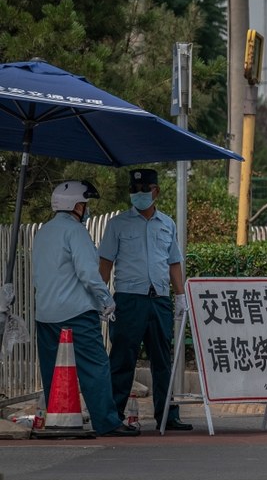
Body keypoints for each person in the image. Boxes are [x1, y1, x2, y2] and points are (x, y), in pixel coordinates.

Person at [33, 181, 139, 437]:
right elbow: (89, 273)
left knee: (53, 370)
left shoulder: (43, 232)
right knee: (95, 367)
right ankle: (106, 421)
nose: (87, 209)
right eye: (85, 204)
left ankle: (59, 419)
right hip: (77, 313)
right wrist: (105, 300)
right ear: (76, 206)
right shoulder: (76, 232)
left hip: (45, 313)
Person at [99, 169, 192, 432]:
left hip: (159, 299)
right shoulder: (118, 224)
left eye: (144, 190)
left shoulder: (167, 224)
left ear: (156, 192)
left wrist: (180, 295)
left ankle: (167, 416)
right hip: (129, 300)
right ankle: (113, 416)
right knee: (122, 359)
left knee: (162, 360)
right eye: (134, 191)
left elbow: (174, 262)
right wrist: (101, 296)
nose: (138, 195)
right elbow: (105, 262)